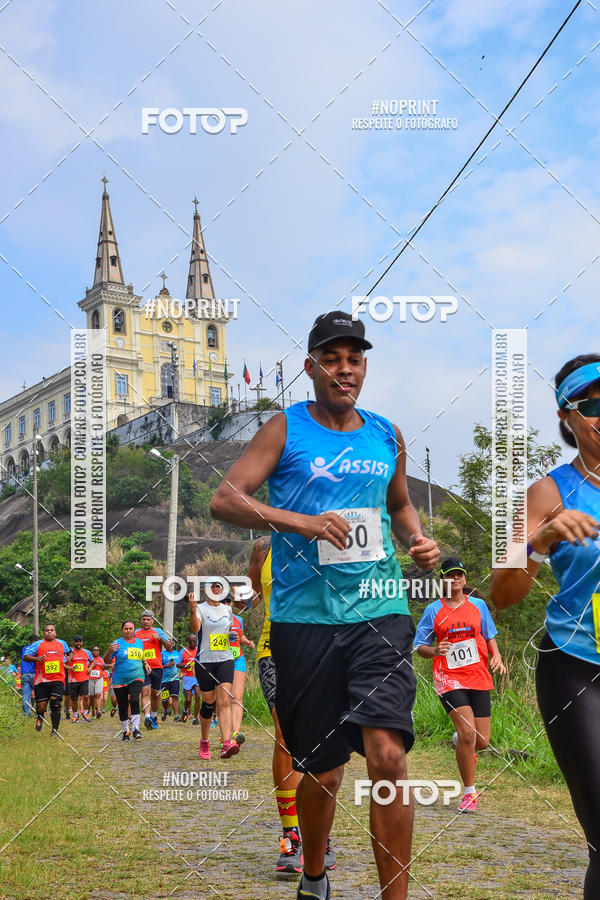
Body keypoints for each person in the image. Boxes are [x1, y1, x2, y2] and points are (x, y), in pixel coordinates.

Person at [210, 311, 439, 900]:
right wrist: (301, 522)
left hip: (379, 612)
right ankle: (315, 875)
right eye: (332, 359)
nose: (344, 369)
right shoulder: (283, 429)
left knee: (388, 756)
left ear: (364, 367)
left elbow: (400, 503)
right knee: (323, 769)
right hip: (303, 620)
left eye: (354, 359)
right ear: (312, 367)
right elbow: (225, 500)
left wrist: (416, 539)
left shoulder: (386, 433)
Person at [490, 353, 600, 898]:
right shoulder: (544, 493)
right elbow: (501, 594)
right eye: (595, 404)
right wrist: (542, 541)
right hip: (578, 667)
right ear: (569, 417)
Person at [248, 535, 337, 874]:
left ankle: (319, 833)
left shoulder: (330, 537)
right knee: (285, 735)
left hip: (322, 647)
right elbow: (253, 595)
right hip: (275, 648)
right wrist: (222, 605)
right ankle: (290, 837)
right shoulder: (262, 548)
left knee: (318, 742)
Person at [414, 557, 506, 812]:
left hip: (477, 676)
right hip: (448, 677)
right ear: (442, 580)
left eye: (459, 575)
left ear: (464, 579)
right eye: (449, 576)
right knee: (468, 734)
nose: (455, 580)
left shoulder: (478, 606)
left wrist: (496, 656)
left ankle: (461, 740)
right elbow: (419, 646)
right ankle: (469, 794)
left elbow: (489, 635)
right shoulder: (433, 610)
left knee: (482, 741)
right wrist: (434, 650)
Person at [189, 582, 239, 760]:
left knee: (224, 700)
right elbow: (196, 629)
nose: (216, 589)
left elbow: (227, 631)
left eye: (219, 586)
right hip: (205, 661)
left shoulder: (227, 610)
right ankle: (204, 740)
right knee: (208, 704)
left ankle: (226, 743)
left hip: (225, 659)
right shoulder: (200, 608)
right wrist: (193, 610)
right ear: (206, 590)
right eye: (212, 587)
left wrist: (231, 636)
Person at [22, 623, 71, 736]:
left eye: (51, 630)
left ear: (55, 632)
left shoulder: (62, 643)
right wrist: (37, 658)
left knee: (55, 704)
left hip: (58, 679)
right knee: (41, 706)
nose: (49, 632)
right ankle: (39, 717)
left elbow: (69, 653)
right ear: (43, 633)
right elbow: (25, 657)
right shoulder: (38, 644)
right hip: (41, 680)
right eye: (47, 630)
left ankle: (55, 730)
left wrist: (69, 658)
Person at [106, 620, 150, 741]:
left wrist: (146, 663)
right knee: (123, 705)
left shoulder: (139, 642)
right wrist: (109, 651)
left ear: (134, 630)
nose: (128, 631)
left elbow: (141, 656)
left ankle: (136, 729)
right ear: (122, 630)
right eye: (126, 629)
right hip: (120, 678)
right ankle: (126, 731)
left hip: (137, 676)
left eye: (131, 628)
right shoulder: (117, 643)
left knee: (135, 699)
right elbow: (107, 661)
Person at [223, 594, 254, 745]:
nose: (227, 604)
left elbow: (239, 636)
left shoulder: (238, 620)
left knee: (237, 698)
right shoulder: (213, 619)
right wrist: (225, 635)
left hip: (237, 659)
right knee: (223, 700)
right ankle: (225, 734)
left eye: (229, 601)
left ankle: (236, 733)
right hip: (221, 660)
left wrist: (247, 642)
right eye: (224, 601)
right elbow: (207, 638)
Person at [135, 610, 173, 730]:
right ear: (141, 621)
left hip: (157, 667)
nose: (146, 622)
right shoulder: (136, 633)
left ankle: (154, 716)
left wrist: (160, 639)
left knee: (156, 694)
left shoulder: (158, 631)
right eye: (144, 619)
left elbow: (170, 647)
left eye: (148, 619)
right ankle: (147, 717)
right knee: (145, 692)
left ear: (152, 620)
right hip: (142, 667)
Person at [66, 635, 93, 722]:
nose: (78, 643)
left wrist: (90, 668)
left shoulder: (87, 652)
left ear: (82, 642)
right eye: (77, 641)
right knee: (74, 698)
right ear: (74, 642)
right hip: (73, 679)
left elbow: (93, 662)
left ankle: (85, 713)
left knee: (85, 696)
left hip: (84, 678)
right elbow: (62, 663)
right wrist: (69, 668)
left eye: (80, 641)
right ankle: (75, 715)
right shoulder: (70, 653)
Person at [177, 634, 201, 724]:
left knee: (198, 695)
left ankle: (196, 718)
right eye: (191, 640)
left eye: (194, 640)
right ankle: (185, 711)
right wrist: (184, 666)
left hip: (197, 677)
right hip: (187, 677)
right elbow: (178, 664)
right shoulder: (183, 651)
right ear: (187, 641)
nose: (193, 642)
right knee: (188, 699)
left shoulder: (199, 651)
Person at [88, 645, 112, 718]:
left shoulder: (101, 659)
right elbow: (86, 668)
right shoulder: (89, 659)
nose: (96, 651)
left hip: (99, 678)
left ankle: (98, 710)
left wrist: (106, 666)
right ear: (92, 651)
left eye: (97, 650)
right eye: (94, 650)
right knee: (91, 696)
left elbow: (104, 667)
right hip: (91, 679)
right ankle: (93, 710)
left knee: (98, 695)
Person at [160, 646, 181, 721]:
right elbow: (159, 666)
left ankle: (176, 716)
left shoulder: (177, 653)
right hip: (164, 680)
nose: (170, 645)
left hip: (175, 679)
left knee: (175, 697)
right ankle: (166, 710)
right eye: (168, 643)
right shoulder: (162, 654)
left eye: (172, 643)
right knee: (164, 699)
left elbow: (181, 663)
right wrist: (168, 665)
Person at [20, 642, 37, 717]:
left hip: (24, 674)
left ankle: (27, 713)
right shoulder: (37, 648)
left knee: (26, 695)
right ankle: (38, 712)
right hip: (34, 673)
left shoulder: (24, 648)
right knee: (39, 694)